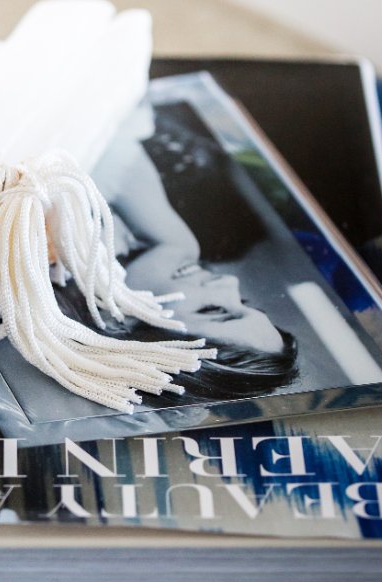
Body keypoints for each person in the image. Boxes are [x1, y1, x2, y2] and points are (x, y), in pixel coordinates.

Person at [63, 104, 299, 404]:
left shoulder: (47, 252)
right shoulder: (120, 239)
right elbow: (118, 144)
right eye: (243, 301)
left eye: (214, 310)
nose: (229, 283)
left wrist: (175, 241)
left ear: (122, 329)